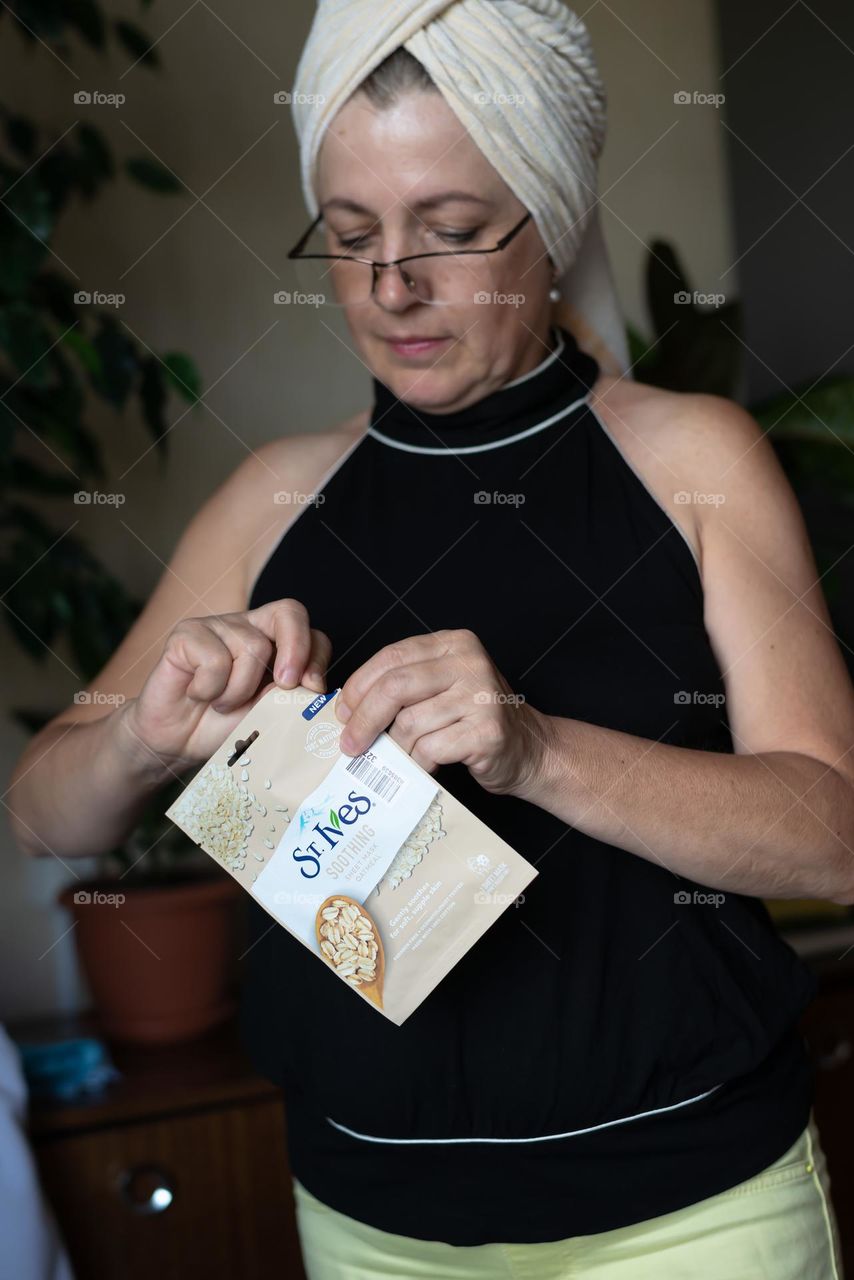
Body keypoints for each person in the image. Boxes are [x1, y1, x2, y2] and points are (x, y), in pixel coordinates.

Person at [9, 3, 852, 1277]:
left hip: (691, 1208)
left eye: (450, 235)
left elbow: (833, 834)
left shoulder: (693, 463)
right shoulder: (272, 497)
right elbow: (43, 811)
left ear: (552, 217)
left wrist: (539, 749)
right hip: (372, 1224)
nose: (392, 286)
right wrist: (141, 730)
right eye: (350, 240)